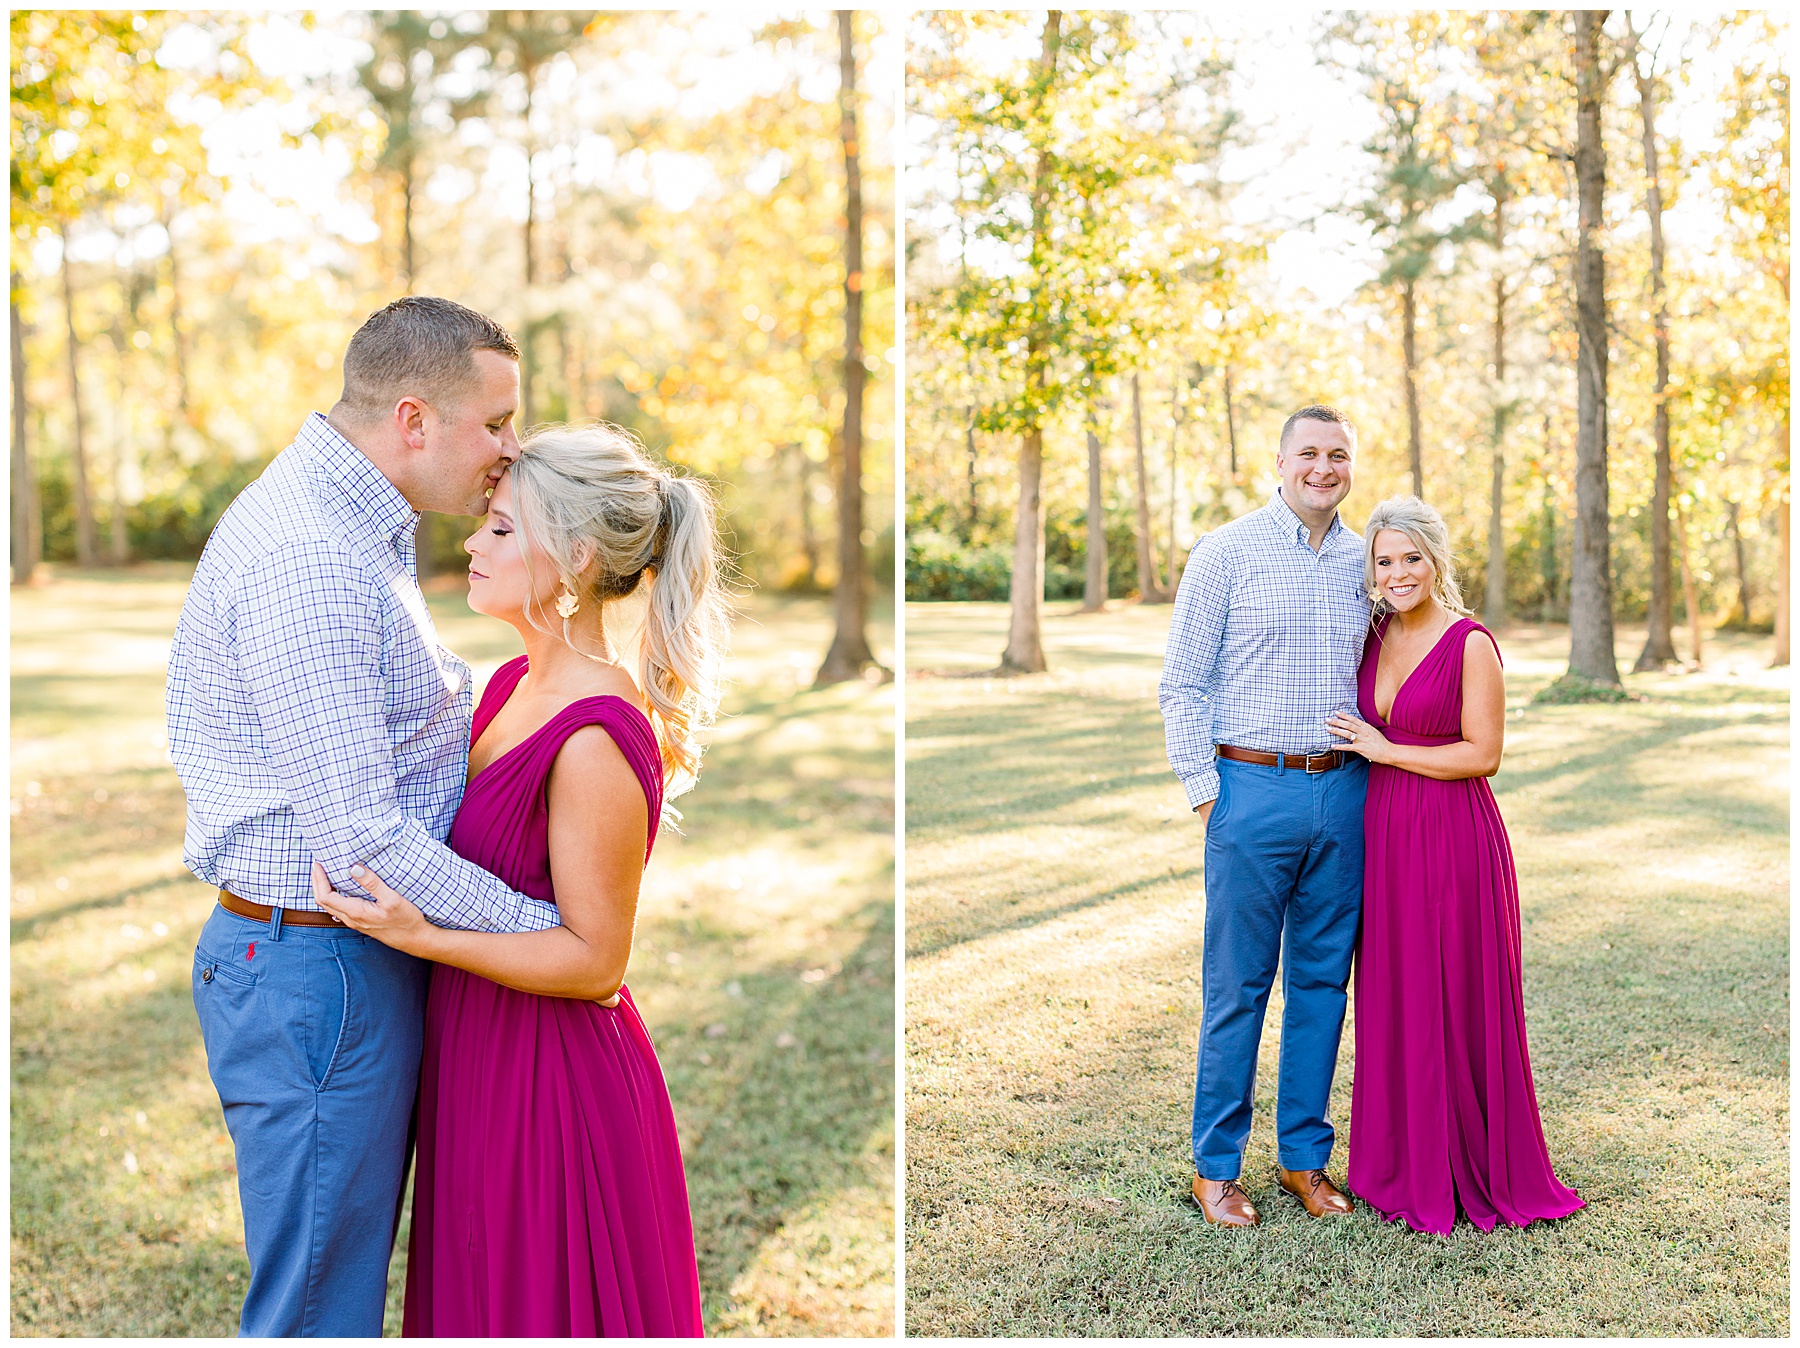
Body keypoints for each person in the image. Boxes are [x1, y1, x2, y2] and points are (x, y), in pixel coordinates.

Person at [167, 297, 563, 1336]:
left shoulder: (353, 521)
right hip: (317, 972)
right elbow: (363, 837)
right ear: (416, 418)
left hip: (332, 963)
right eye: (497, 423)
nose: (510, 451)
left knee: (332, 1287)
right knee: (317, 1312)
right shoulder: (312, 557)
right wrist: (543, 931)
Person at [312, 422, 728, 1336]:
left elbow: (595, 963)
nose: (471, 541)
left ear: (576, 557)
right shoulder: (505, 687)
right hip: (472, 1056)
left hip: (553, 1084)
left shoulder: (592, 735)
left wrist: (421, 936)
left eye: (500, 529)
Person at [1325, 495, 1584, 1236]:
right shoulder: (1371, 633)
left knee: (1453, 993)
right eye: (1384, 560)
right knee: (1398, 993)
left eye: (1411, 558)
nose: (1398, 572)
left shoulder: (1471, 642)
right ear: (1370, 570)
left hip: (1451, 839)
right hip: (1383, 838)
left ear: (1437, 560)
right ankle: (1396, 1164)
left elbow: (1484, 755)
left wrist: (1384, 750)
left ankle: (1468, 1161)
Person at [1158, 404, 1371, 1227]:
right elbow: (1183, 681)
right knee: (1239, 986)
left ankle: (1304, 1162)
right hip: (1249, 792)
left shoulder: (1366, 562)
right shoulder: (1225, 552)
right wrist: (1208, 795)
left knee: (1323, 984)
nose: (1324, 467)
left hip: (1345, 794)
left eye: (1339, 455)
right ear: (1278, 462)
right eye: (1309, 453)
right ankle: (1216, 1167)